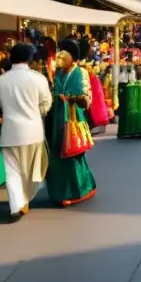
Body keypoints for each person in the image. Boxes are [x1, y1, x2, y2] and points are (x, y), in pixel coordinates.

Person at [0, 42, 52, 222]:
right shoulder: (38, 78)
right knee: (32, 169)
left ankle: (16, 205)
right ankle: (24, 199)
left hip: (10, 132)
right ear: (30, 59)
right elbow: (46, 104)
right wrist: (35, 112)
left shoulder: (0, 81)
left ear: (10, 58)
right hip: (34, 131)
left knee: (12, 171)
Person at [47, 40, 97, 207]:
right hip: (57, 120)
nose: (60, 55)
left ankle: (80, 189)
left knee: (74, 155)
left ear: (73, 56)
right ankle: (59, 192)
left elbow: (87, 99)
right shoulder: (58, 73)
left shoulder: (81, 72)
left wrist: (69, 98)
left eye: (64, 52)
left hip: (74, 119)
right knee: (57, 155)